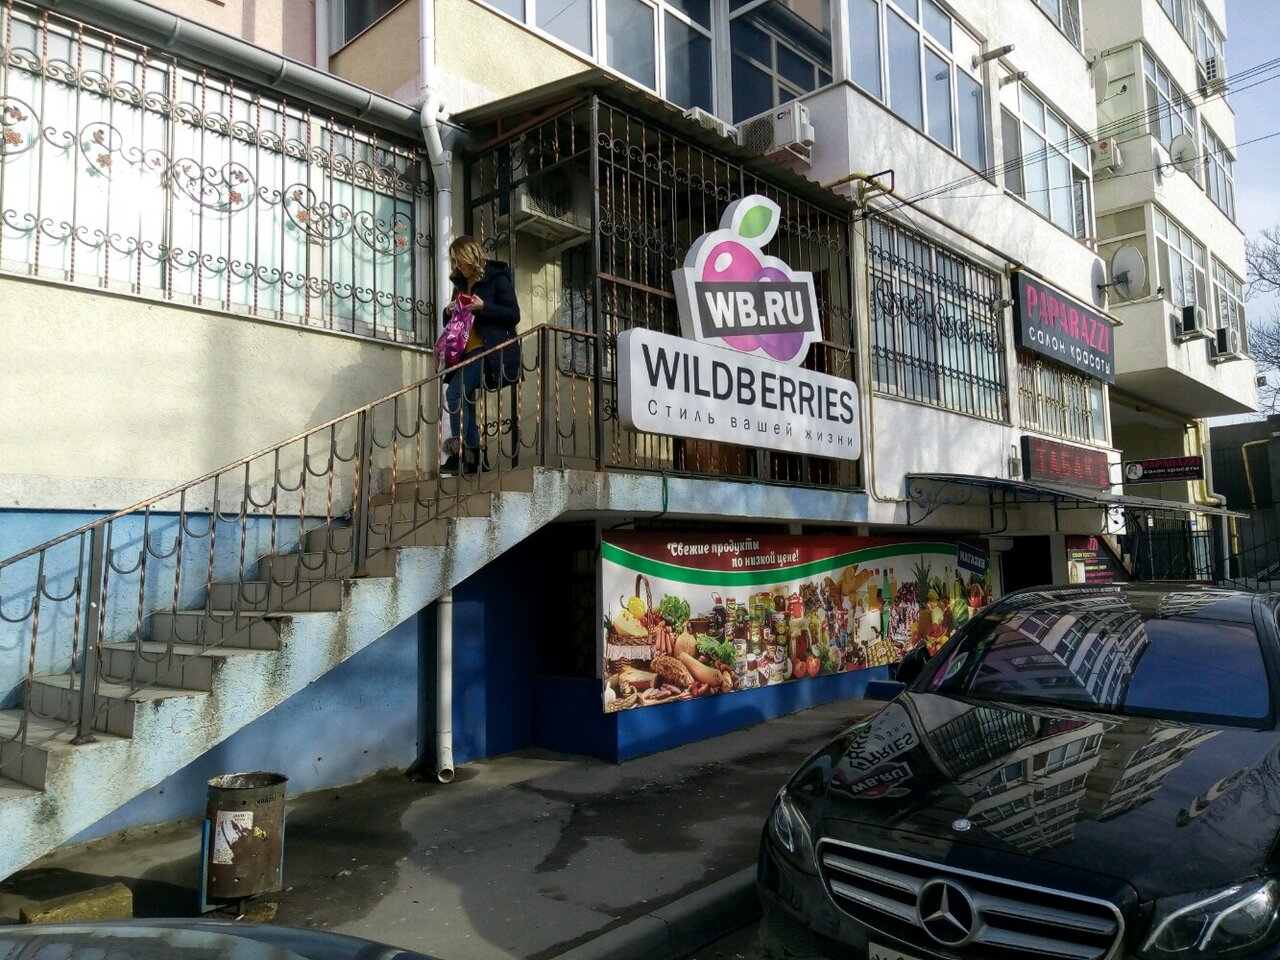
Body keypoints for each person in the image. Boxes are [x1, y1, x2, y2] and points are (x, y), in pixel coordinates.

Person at [441, 236, 521, 475]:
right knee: (463, 400)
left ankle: (460, 454)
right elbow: (454, 325)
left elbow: (513, 314)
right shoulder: (460, 284)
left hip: (487, 351)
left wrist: (484, 307)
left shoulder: (496, 278)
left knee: (454, 393)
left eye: (460, 260)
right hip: (464, 352)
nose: (457, 266)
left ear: (471, 256)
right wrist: (449, 312)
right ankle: (474, 460)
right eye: (454, 262)